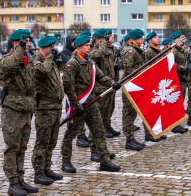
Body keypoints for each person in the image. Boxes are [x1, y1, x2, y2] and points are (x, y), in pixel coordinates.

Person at [61, 35, 121, 172]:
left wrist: (113, 84)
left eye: (89, 45)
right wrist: (76, 105)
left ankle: (104, 160)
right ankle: (66, 162)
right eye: (87, 46)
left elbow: (100, 76)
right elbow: (68, 86)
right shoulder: (72, 63)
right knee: (70, 134)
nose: (89, 47)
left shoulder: (90, 62)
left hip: (91, 103)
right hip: (79, 105)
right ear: (78, 47)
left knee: (99, 131)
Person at [0, 29, 38, 196]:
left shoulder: (29, 61)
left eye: (29, 41)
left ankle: (20, 180)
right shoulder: (5, 60)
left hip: (26, 108)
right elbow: (11, 64)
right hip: (12, 111)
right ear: (16, 43)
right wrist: (19, 50)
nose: (28, 44)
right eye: (25, 42)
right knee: (12, 147)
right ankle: (12, 182)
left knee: (22, 147)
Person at [31, 36, 64, 185]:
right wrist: (50, 57)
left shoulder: (50, 61)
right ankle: (38, 172)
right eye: (51, 47)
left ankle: (46, 168)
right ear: (44, 48)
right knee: (42, 142)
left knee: (51, 142)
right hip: (44, 109)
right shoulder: (36, 62)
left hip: (55, 108)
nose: (54, 50)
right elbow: (43, 72)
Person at [88, 28, 121, 161]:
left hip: (109, 88)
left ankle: (102, 150)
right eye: (105, 38)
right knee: (97, 122)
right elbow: (96, 56)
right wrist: (103, 44)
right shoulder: (93, 50)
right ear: (98, 39)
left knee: (105, 122)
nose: (107, 39)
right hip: (99, 91)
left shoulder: (107, 49)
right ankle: (94, 151)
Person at [122, 29, 152, 151]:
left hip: (137, 85)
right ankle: (129, 139)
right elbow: (128, 70)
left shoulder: (137, 49)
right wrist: (143, 72)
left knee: (133, 113)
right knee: (129, 114)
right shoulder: (130, 51)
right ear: (134, 38)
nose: (142, 38)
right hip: (131, 85)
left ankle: (131, 138)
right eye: (140, 37)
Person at [143, 31, 167, 141]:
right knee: (149, 109)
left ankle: (156, 131)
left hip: (158, 83)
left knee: (157, 109)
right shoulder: (148, 52)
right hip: (151, 84)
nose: (158, 39)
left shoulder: (158, 51)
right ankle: (148, 133)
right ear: (149, 41)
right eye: (155, 37)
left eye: (157, 37)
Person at [169, 31, 189, 133]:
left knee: (180, 102)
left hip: (182, 79)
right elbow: (170, 64)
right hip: (175, 80)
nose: (182, 40)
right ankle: (175, 125)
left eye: (182, 38)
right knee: (175, 103)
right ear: (174, 40)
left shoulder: (181, 50)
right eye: (179, 38)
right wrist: (182, 67)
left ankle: (177, 123)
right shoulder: (173, 50)